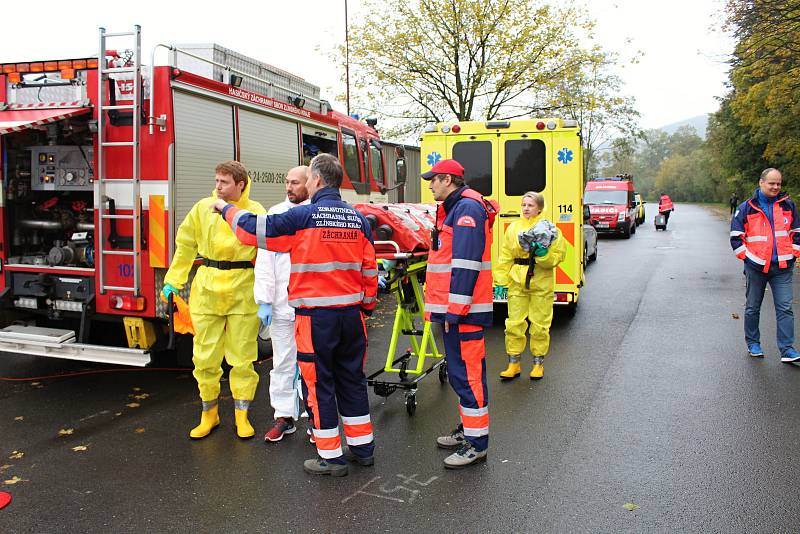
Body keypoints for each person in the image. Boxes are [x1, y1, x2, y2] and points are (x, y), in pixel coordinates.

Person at [213, 153, 378, 477]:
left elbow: (253, 230)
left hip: (316, 319)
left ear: (316, 180)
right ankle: (363, 450)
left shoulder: (303, 217)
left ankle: (331, 457)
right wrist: (367, 306)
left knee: (319, 385)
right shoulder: (358, 219)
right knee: (352, 382)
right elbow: (370, 269)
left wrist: (225, 209)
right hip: (351, 318)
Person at [161, 161, 266, 440]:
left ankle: (241, 415)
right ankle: (209, 414)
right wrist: (173, 281)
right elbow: (185, 246)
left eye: (224, 182)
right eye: (217, 180)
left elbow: (269, 254)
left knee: (242, 357)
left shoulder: (255, 212)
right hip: (207, 288)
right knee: (204, 356)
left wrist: (270, 296)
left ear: (241, 184)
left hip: (243, 289)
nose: (218, 186)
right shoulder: (203, 208)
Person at [422, 159, 497, 469]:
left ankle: (477, 444)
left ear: (448, 180)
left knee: (468, 376)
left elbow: (466, 264)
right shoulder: (456, 207)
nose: (429, 185)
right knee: (459, 374)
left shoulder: (466, 210)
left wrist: (455, 310)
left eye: (434, 180)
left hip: (463, 313)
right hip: (456, 311)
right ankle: (469, 430)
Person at [255, 166, 311, 442]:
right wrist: (264, 301)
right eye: (287, 182)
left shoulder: (317, 215)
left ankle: (316, 419)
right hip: (280, 305)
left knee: (315, 364)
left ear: (310, 183)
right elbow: (265, 262)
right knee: (283, 363)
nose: (289, 187)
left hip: (311, 305)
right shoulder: (274, 215)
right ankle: (284, 416)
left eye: (295, 182)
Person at [730, 168, 800, 362]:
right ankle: (753, 343)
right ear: (761, 182)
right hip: (756, 267)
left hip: (783, 268)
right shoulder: (746, 207)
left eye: (778, 183)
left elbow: (797, 231)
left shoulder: (788, 205)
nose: (776, 187)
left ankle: (787, 350)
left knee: (785, 308)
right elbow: (736, 237)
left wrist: (794, 253)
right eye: (772, 183)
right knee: (753, 307)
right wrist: (748, 258)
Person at [495, 192, 566, 380]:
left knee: (539, 325)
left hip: (541, 281)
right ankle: (513, 363)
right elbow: (505, 256)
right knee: (513, 324)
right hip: (517, 281)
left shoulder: (549, 230)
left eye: (530, 205)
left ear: (540, 208)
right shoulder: (513, 228)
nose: (526, 208)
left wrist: (543, 254)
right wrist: (501, 281)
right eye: (524, 204)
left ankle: (538, 364)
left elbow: (558, 256)